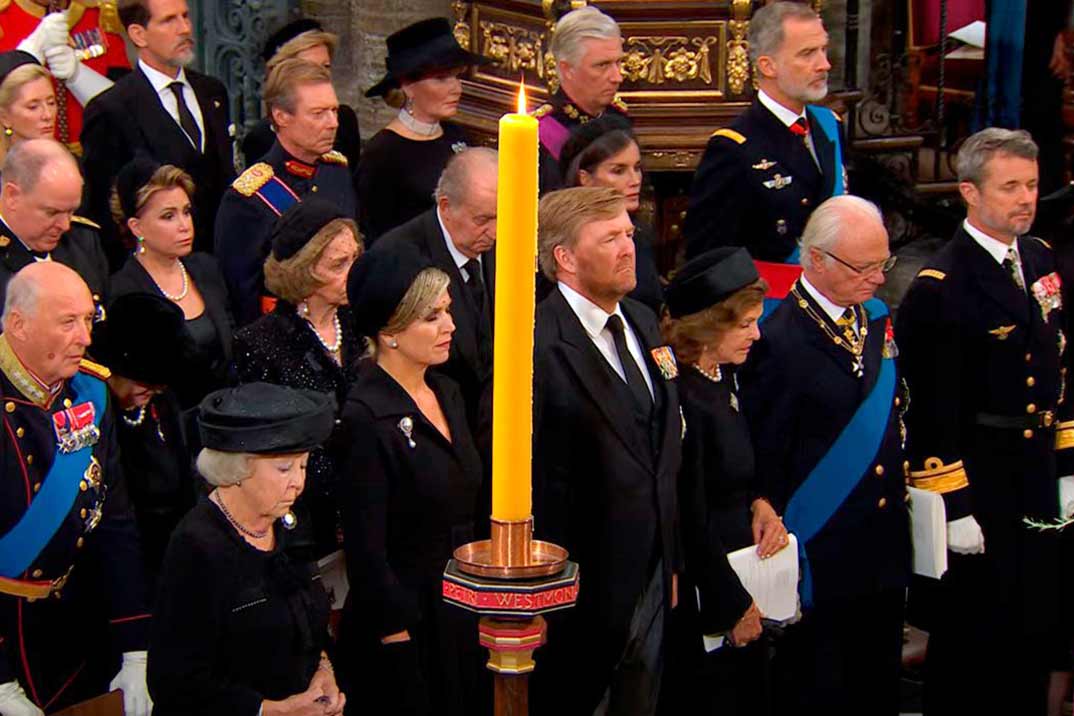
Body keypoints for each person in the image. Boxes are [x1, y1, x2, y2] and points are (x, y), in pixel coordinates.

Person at [896, 128, 1069, 716]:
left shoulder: (1040, 258)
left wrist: (1065, 464)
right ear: (970, 191)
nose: (1025, 198)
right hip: (982, 480)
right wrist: (954, 502)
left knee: (1034, 625)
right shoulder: (941, 288)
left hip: (1036, 473)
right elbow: (930, 408)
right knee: (975, 635)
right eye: (1010, 187)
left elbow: (1057, 366)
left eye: (1033, 185)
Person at [739, 195, 910, 715]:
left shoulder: (875, 319)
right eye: (864, 267)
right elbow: (764, 451)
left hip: (881, 550)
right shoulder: (776, 338)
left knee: (876, 685)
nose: (878, 279)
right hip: (821, 552)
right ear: (815, 259)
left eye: (884, 263)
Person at [530, 187, 682, 716]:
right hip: (582, 591)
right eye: (610, 238)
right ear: (565, 259)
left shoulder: (641, 319)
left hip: (656, 576)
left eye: (629, 234)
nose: (628, 248)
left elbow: (665, 446)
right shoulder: (535, 343)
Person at [336, 243, 486, 715]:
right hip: (406, 627)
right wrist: (395, 636)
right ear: (390, 331)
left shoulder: (448, 391)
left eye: (447, 311)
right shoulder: (365, 417)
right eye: (432, 317)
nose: (451, 326)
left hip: (459, 608)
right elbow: (366, 547)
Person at [0, 262, 151, 716]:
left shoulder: (89, 393)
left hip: (76, 625)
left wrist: (134, 646)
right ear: (17, 325)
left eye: (88, 319)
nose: (86, 337)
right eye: (68, 322)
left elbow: (116, 523)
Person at [149, 382, 345, 716]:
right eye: (284, 468)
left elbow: (311, 626)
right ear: (236, 469)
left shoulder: (290, 520)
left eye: (304, 465)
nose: (298, 482)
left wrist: (324, 672)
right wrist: (271, 711)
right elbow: (174, 682)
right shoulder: (197, 546)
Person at [662, 247, 785, 715]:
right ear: (708, 327)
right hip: (711, 594)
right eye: (744, 324)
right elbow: (689, 517)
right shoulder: (682, 397)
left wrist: (761, 502)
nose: (757, 333)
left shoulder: (723, 376)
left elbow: (736, 469)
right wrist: (731, 605)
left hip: (743, 570)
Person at [235, 199, 364, 564]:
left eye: (355, 258)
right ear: (303, 272)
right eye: (339, 264)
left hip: (368, 503)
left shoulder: (363, 323)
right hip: (304, 522)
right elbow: (267, 446)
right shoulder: (261, 343)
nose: (353, 272)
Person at [683, 1, 845, 282]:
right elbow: (708, 258)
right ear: (768, 66)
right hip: (769, 310)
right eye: (808, 54)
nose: (824, 64)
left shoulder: (829, 126)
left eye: (823, 49)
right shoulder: (733, 148)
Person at [81, 0, 234, 262]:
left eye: (186, 17)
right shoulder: (111, 110)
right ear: (138, 34)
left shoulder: (212, 92)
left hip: (220, 266)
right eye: (169, 20)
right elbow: (105, 213)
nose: (185, 28)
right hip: (155, 271)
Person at [216, 58, 356, 327]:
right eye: (318, 114)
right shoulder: (248, 198)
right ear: (281, 116)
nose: (333, 123)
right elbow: (241, 297)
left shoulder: (336, 171)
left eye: (334, 111)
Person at [376, 147, 496, 446]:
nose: (495, 232)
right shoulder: (399, 257)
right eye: (483, 219)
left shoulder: (507, 244)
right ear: (445, 206)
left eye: (503, 216)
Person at [89, 291, 197, 589]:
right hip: (119, 557)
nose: (147, 394)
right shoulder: (96, 413)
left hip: (170, 549)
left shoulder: (164, 404)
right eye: (142, 384)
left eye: (156, 388)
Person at [109, 158, 234, 410]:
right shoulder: (124, 292)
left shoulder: (206, 268)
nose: (184, 225)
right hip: (173, 430)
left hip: (227, 419)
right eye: (168, 216)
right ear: (136, 227)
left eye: (186, 212)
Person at [358, 18, 487, 242]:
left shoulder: (456, 135)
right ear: (408, 86)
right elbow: (374, 237)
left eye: (457, 77)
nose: (456, 88)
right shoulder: (382, 154)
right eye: (441, 78)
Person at [559, 114, 663, 313]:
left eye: (637, 168)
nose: (635, 180)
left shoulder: (639, 233)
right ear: (585, 179)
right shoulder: (568, 237)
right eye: (618, 170)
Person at [0, 138, 108, 318]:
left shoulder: (84, 243)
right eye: (52, 213)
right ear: (12, 196)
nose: (65, 225)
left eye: (71, 211)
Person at [0, 1, 125, 151]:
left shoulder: (98, 14)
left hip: (99, 155)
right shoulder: (5, 15)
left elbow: (128, 110)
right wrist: (30, 52)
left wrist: (77, 75)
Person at [242, 19, 361, 173]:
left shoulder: (344, 120)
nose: (321, 75)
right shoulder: (261, 138)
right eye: (308, 67)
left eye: (325, 66)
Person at [535, 5, 629, 194]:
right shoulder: (538, 134)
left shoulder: (618, 118)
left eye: (618, 62)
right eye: (602, 65)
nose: (617, 77)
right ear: (567, 69)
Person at [0, 52, 56, 171]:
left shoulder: (71, 167)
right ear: (4, 117)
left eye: (51, 103)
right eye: (33, 107)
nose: (48, 115)